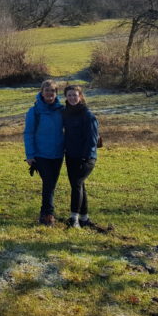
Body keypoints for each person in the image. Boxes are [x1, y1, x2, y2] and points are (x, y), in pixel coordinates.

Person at [23, 79, 64, 225]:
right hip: (41, 154)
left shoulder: (61, 110)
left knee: (51, 184)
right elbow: (28, 133)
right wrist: (30, 155)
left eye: (52, 91)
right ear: (42, 92)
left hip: (58, 154)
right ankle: (47, 215)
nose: (49, 93)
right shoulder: (34, 112)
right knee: (48, 183)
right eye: (46, 91)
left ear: (56, 93)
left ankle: (46, 212)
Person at [61, 85, 103, 230]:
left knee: (77, 185)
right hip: (71, 155)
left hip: (86, 158)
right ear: (66, 97)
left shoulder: (88, 115)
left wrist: (85, 157)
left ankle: (74, 219)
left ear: (80, 96)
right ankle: (84, 219)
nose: (72, 98)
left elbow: (92, 140)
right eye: (69, 95)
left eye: (75, 95)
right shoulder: (65, 113)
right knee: (79, 186)